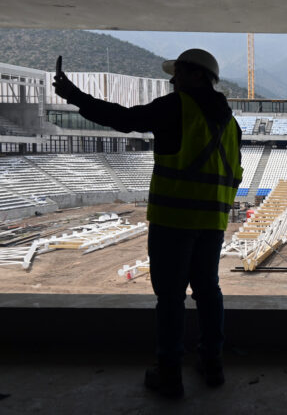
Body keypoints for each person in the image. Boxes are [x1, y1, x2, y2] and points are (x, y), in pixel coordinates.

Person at [53, 49, 243, 399]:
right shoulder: (231, 124)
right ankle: (212, 364)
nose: (173, 80)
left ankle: (169, 373)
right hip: (213, 222)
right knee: (208, 291)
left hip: (174, 220)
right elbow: (235, 174)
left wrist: (75, 96)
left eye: (180, 73)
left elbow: (124, 119)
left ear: (198, 76)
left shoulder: (178, 107)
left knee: (170, 299)